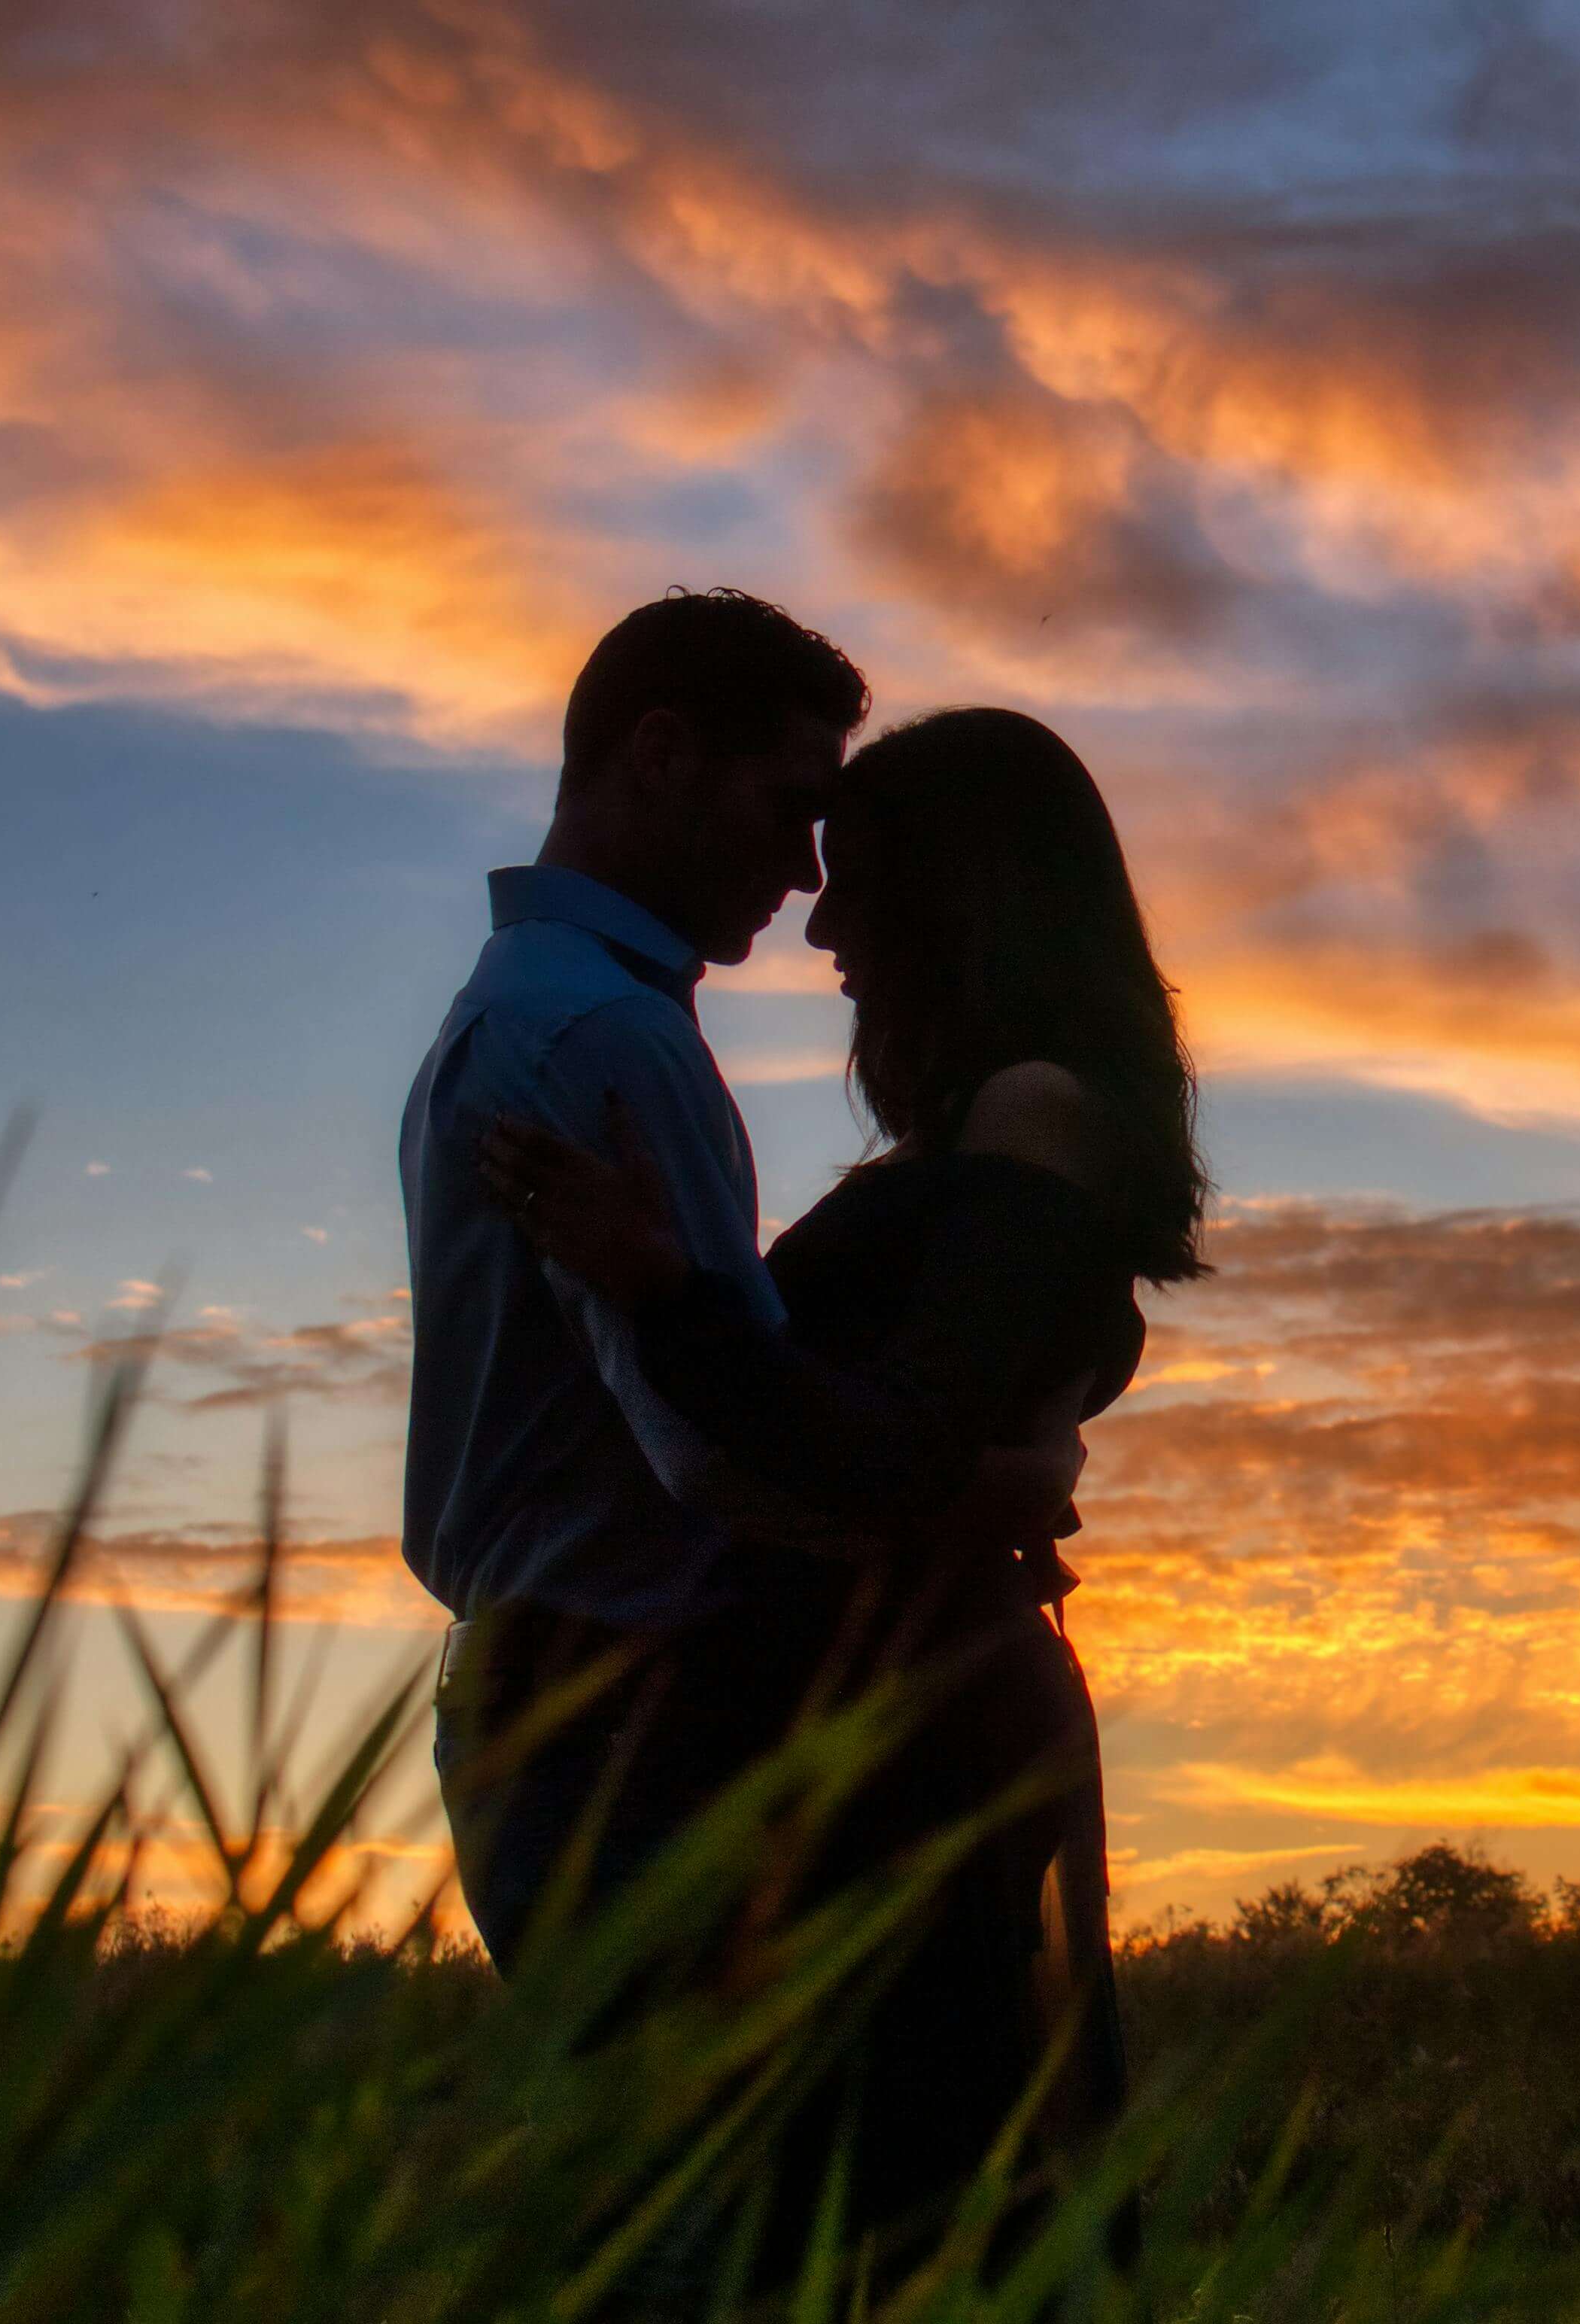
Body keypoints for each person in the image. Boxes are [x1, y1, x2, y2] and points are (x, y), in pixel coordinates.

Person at [478, 705, 1207, 2275]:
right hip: (866, 1708)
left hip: (921, 1725)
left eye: (860, 876)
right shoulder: (981, 1133)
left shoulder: (1038, 1111)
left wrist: (661, 1283)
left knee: (906, 2184)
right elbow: (939, 1425)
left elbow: (889, 1440)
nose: (819, 917)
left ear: (964, 896)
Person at [400, 590, 1080, 1974]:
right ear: (660, 755)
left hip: (573, 1703)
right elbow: (723, 1461)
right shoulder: (603, 1037)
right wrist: (1003, 1486)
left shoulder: (529, 1006)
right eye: (788, 810)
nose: (810, 879)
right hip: (616, 1718)